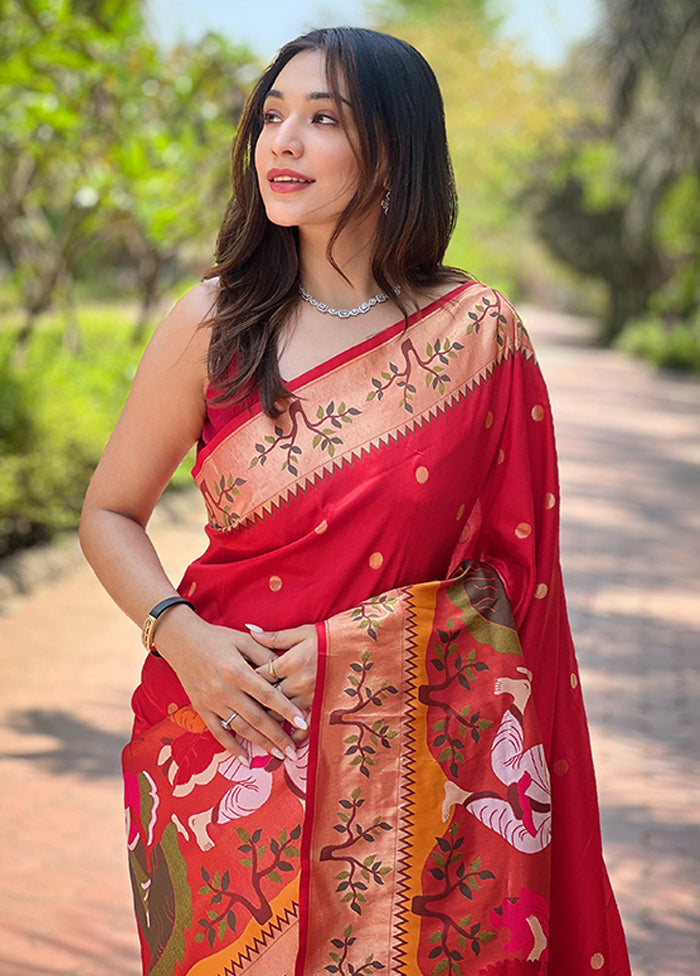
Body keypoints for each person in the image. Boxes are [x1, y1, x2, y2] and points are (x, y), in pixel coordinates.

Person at [79, 26, 631, 976]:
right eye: (272, 115)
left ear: (394, 151)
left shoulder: (478, 336)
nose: (280, 141)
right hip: (224, 747)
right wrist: (184, 637)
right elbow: (109, 514)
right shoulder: (212, 323)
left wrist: (355, 649)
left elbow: (518, 584)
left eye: (321, 119)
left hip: (425, 782)